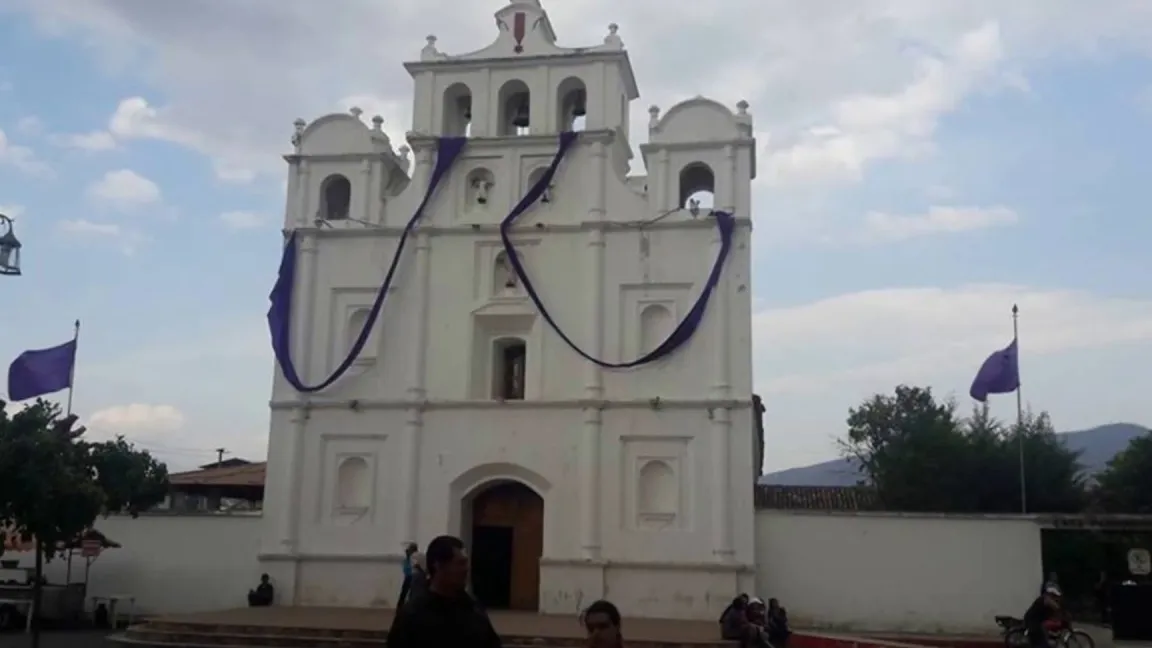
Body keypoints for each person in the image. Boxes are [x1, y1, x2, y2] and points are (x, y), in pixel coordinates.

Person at [387, 535, 503, 648]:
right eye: (460, 563)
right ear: (438, 566)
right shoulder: (412, 615)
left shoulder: (474, 609)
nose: (466, 569)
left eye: (466, 563)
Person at [397, 542, 418, 608]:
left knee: (411, 593)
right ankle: (400, 607)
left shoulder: (415, 557)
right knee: (405, 593)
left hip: (413, 576)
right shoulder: (408, 558)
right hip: (409, 576)